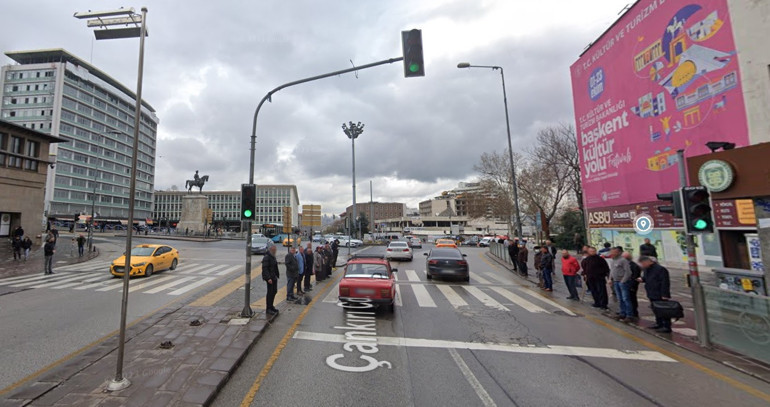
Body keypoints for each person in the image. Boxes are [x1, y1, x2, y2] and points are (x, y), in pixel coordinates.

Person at [638, 256, 672, 333]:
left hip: (659, 293)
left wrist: (665, 294)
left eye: (643, 263)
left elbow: (665, 282)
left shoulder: (660, 269)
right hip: (651, 292)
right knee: (655, 309)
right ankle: (659, 323)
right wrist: (642, 279)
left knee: (663, 310)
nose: (642, 265)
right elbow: (646, 278)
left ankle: (666, 326)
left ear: (649, 262)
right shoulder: (647, 269)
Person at [609, 246, 633, 321]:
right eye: (611, 252)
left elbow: (628, 272)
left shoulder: (623, 260)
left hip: (622, 282)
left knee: (625, 298)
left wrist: (623, 281)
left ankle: (629, 315)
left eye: (614, 252)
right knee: (620, 298)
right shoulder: (613, 260)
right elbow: (612, 270)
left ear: (619, 252)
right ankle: (622, 313)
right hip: (615, 281)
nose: (612, 253)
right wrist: (610, 279)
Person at [622, 251, 642, 320]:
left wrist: (632, 286)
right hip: (625, 284)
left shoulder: (634, 266)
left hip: (631, 285)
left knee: (631, 299)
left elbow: (635, 277)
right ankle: (626, 312)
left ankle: (634, 313)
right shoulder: (625, 265)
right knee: (626, 298)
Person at [261, 245, 280, 315]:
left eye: (275, 250)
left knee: (274, 291)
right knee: (270, 293)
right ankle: (268, 308)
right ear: (271, 250)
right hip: (269, 278)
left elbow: (275, 267)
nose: (275, 251)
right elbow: (265, 268)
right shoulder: (267, 257)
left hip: (274, 277)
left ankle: (271, 306)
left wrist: (277, 275)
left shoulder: (273, 256)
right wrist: (268, 278)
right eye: (274, 250)